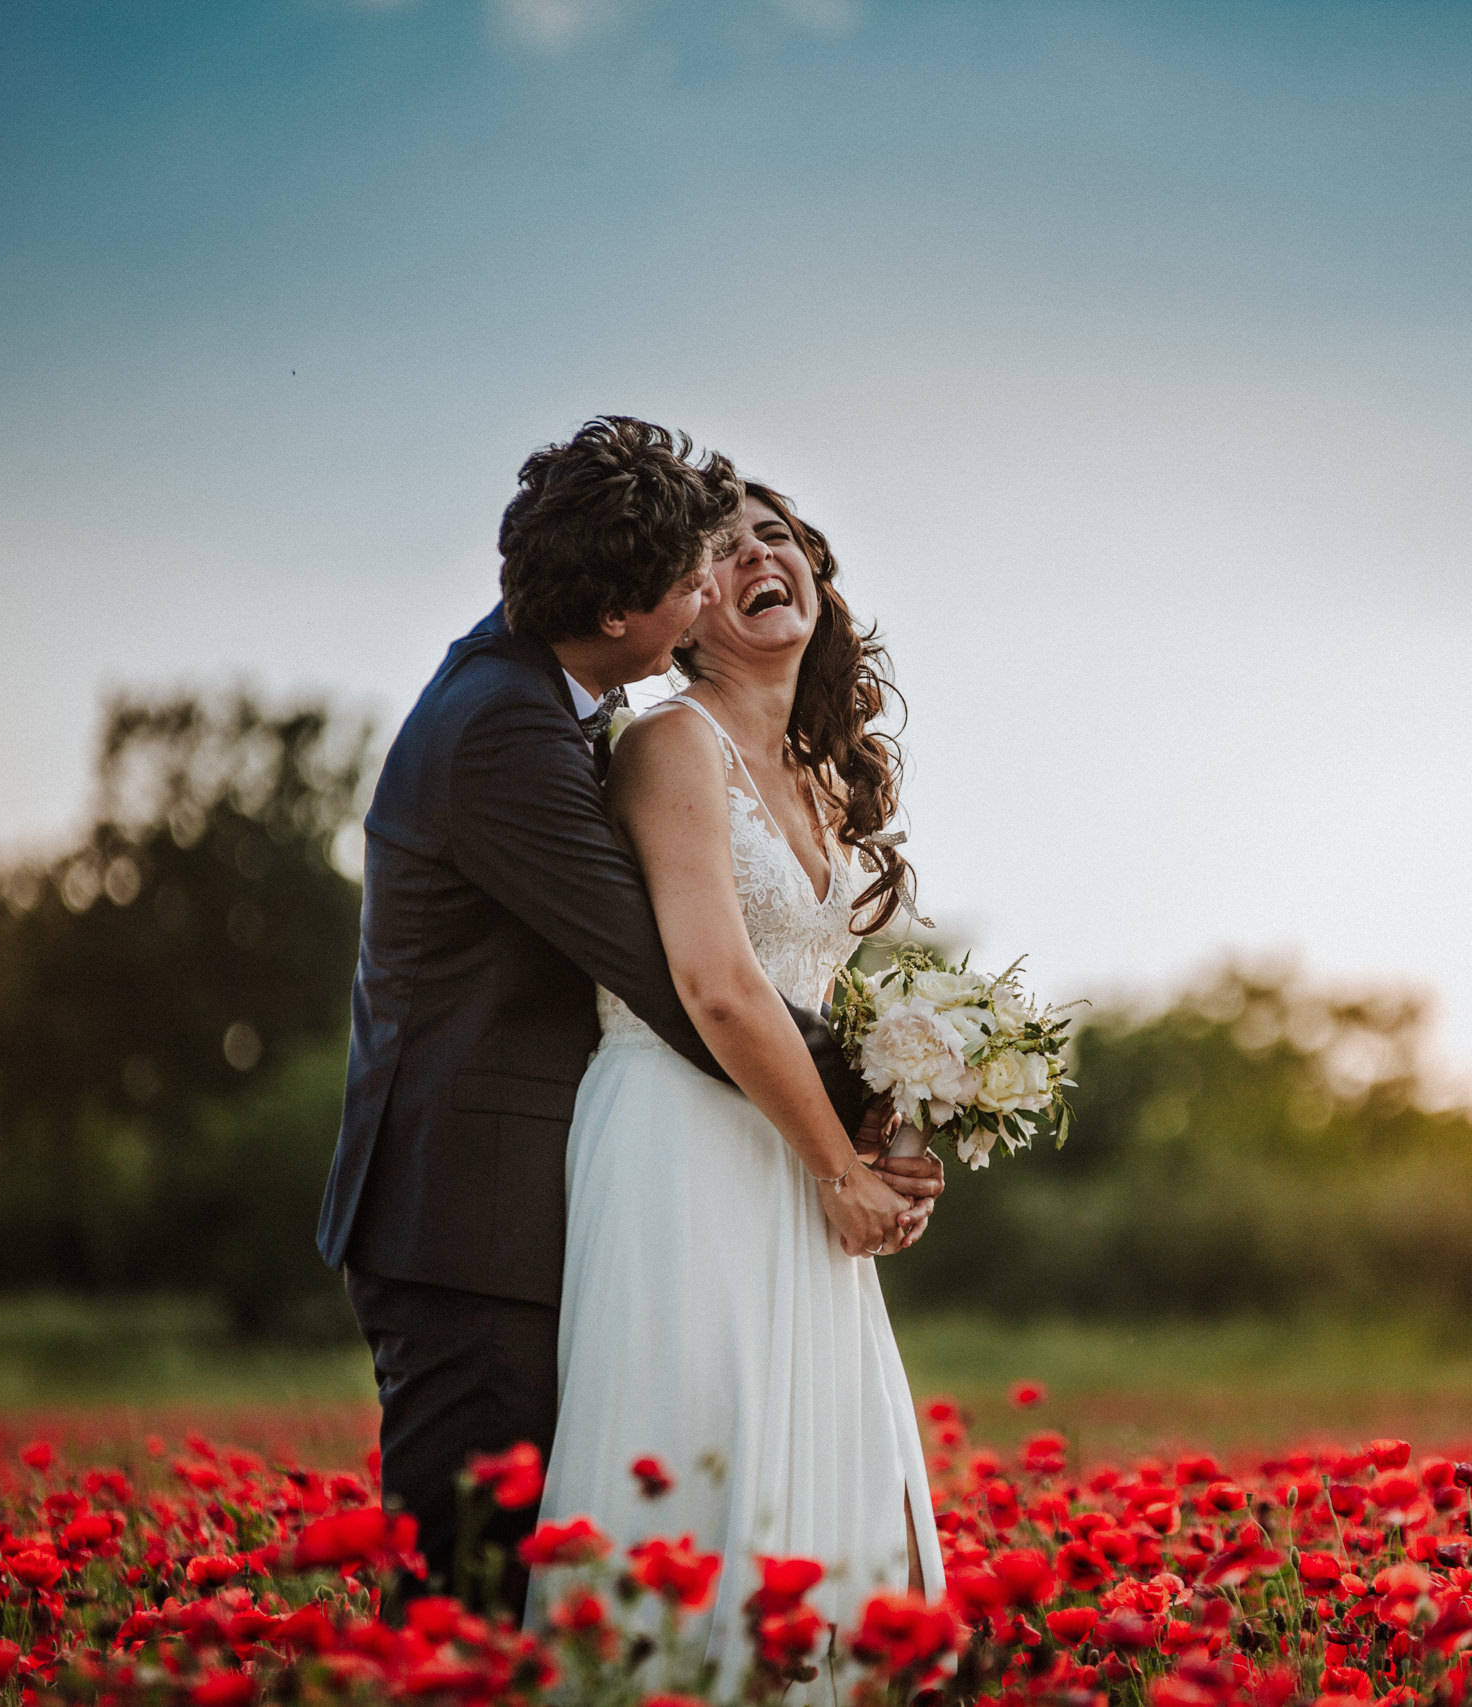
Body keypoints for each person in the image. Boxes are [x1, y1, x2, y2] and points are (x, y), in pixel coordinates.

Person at [313, 419, 944, 1612]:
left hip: (580, 1181)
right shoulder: (509, 727)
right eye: (692, 573)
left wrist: (899, 1089)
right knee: (472, 1592)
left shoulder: (535, 698)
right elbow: (680, 978)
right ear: (629, 621)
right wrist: (865, 1106)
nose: (719, 574)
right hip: (467, 1211)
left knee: (593, 1543)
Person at [533, 480, 947, 1684]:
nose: (757, 554)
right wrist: (839, 1171)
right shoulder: (669, 742)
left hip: (799, 1155)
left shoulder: (824, 782)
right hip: (680, 1141)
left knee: (814, 1483)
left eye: (775, 533)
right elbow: (714, 981)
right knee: (698, 1450)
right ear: (679, 607)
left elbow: (833, 1014)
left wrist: (886, 1144)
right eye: (718, 550)